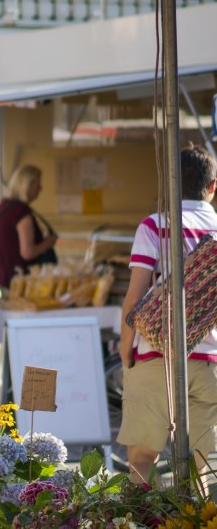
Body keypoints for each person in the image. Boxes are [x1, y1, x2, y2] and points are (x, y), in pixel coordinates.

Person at [118, 146, 217, 484]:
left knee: (142, 460)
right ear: (213, 186)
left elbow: (135, 298)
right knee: (201, 467)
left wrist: (125, 351)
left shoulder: (155, 226)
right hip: (210, 361)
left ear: (171, 183)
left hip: (157, 355)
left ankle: (142, 522)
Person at [0, 164, 58, 291]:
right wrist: (48, 242)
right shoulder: (21, 212)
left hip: (3, 275)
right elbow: (27, 252)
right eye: (37, 184)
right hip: (19, 280)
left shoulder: (2, 207)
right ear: (27, 185)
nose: (40, 188)